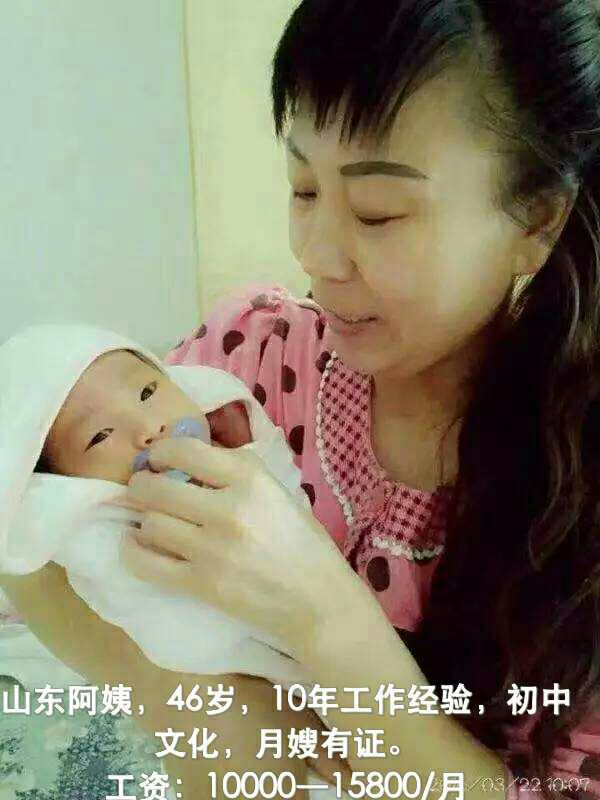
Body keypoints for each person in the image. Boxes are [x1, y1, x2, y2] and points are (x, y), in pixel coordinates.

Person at [3, 1, 600, 798]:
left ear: (538, 220)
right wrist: (210, 708)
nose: (317, 255)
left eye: (378, 213)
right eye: (303, 188)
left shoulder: (577, 495)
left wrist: (329, 624)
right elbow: (35, 519)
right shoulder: (246, 365)